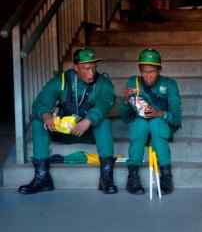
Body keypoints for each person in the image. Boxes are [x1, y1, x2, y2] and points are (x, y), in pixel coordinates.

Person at [18, 48, 118, 194]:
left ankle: (106, 178)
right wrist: (46, 115)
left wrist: (88, 120)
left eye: (94, 68)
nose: (92, 73)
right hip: (64, 131)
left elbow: (105, 102)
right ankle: (42, 178)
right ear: (76, 67)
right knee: (38, 122)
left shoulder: (103, 82)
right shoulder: (62, 81)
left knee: (104, 122)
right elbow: (40, 102)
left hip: (88, 133)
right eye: (87, 68)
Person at [119, 48, 182, 195]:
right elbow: (125, 118)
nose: (148, 76)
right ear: (140, 70)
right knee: (141, 123)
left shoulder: (170, 84)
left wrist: (160, 113)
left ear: (159, 70)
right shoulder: (133, 82)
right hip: (140, 130)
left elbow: (177, 119)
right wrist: (126, 101)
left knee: (155, 122)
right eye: (144, 71)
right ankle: (133, 176)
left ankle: (166, 175)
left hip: (161, 127)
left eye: (152, 71)